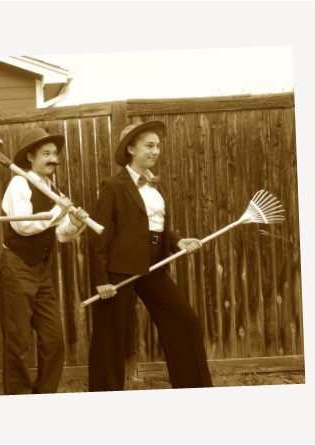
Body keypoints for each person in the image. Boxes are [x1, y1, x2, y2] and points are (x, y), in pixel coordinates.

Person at [87, 120, 213, 391]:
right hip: (119, 269)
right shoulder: (113, 185)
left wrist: (178, 241)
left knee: (185, 321)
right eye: (149, 145)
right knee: (111, 338)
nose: (156, 151)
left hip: (154, 265)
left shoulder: (155, 187)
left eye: (158, 146)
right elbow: (98, 235)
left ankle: (195, 389)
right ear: (131, 148)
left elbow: (154, 227)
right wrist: (100, 279)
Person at [0, 127, 88, 395]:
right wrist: (58, 210)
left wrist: (74, 223)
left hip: (41, 269)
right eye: (46, 153)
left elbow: (59, 235)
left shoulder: (51, 188)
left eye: (55, 154)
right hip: (16, 267)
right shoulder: (20, 183)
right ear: (30, 158)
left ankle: (45, 394)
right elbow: (23, 225)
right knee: (18, 341)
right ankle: (19, 398)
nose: (52, 159)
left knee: (53, 339)